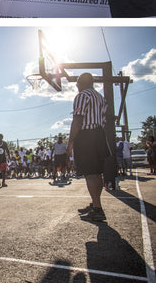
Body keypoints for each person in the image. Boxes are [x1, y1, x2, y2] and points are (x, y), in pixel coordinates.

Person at [67, 72, 110, 222]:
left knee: (90, 174)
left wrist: (71, 142)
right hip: (99, 133)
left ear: (81, 82)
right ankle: (95, 204)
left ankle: (98, 209)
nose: (77, 85)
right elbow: (104, 119)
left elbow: (77, 120)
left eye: (78, 83)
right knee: (97, 173)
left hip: (87, 135)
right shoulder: (100, 98)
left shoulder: (82, 96)